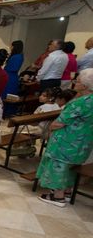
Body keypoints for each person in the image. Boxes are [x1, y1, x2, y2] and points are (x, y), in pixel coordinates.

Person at [36, 69, 93, 207]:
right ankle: (67, 192)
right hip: (84, 141)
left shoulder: (80, 102)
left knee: (59, 166)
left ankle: (57, 197)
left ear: (85, 86)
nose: (74, 83)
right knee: (72, 166)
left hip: (67, 141)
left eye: (77, 81)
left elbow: (59, 123)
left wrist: (49, 127)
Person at [2, 40, 25, 117]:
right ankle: (7, 111)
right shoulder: (19, 55)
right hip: (12, 76)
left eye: (12, 46)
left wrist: (4, 69)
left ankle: (7, 112)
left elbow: (12, 68)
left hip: (10, 77)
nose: (11, 47)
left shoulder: (17, 56)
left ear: (15, 47)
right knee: (9, 93)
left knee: (8, 94)